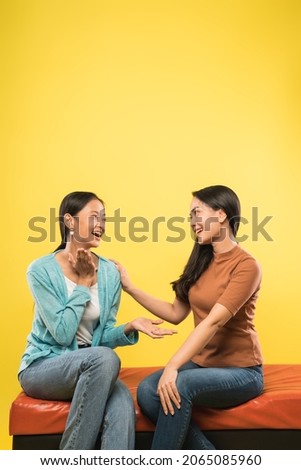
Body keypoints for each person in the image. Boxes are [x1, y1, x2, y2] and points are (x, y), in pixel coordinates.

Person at [18, 191, 176, 450]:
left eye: (104, 218)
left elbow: (100, 339)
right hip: (44, 367)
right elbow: (62, 334)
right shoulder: (40, 270)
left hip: (92, 368)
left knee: (123, 402)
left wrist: (129, 327)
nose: (101, 224)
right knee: (104, 358)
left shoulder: (110, 274)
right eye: (94, 217)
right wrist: (82, 283)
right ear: (69, 221)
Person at [114, 185, 264, 450]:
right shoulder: (201, 260)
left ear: (220, 215)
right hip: (203, 366)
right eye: (190, 217)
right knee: (149, 391)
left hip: (241, 372)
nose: (192, 222)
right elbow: (175, 313)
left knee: (177, 385)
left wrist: (172, 366)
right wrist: (130, 287)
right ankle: (209, 457)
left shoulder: (246, 266)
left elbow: (213, 322)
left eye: (197, 213)